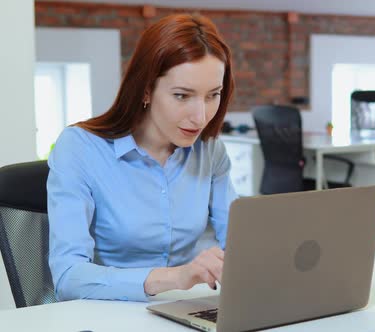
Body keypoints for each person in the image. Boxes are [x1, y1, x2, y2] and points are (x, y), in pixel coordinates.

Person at [47, 14, 237, 302]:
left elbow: (241, 243)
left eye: (213, 95)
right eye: (182, 96)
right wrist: (177, 277)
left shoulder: (210, 152)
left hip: (181, 311)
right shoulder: (79, 148)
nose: (200, 116)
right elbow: (68, 277)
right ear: (146, 89)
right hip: (104, 316)